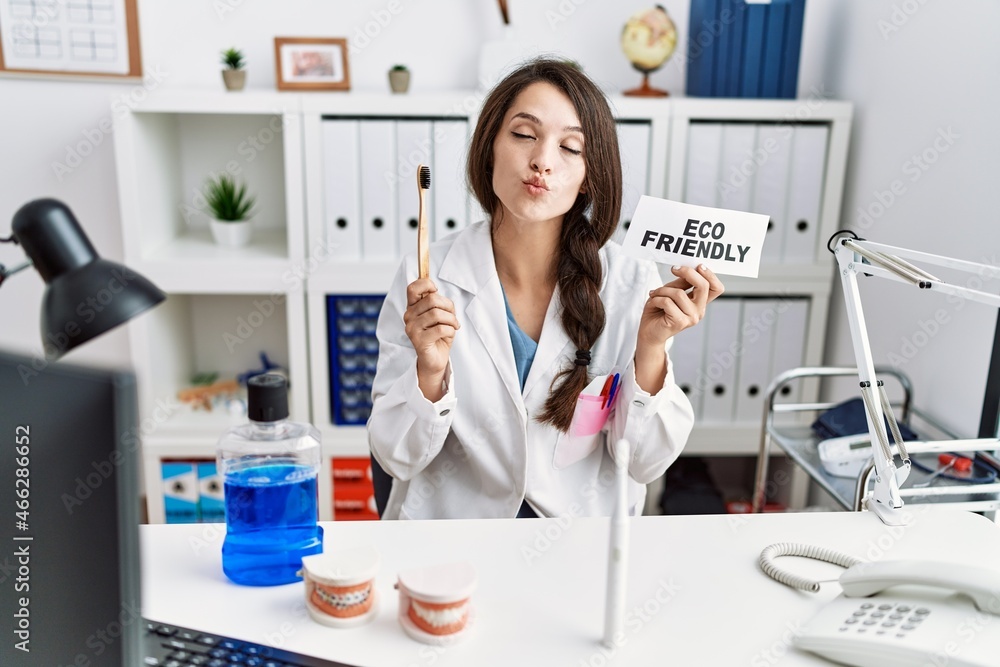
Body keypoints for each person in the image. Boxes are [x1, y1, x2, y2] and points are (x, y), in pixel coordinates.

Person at [368, 58, 724, 520]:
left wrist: (651, 351)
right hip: (454, 539)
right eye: (523, 135)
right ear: (490, 146)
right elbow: (395, 455)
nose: (542, 161)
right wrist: (430, 373)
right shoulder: (428, 276)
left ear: (588, 178)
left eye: (570, 148)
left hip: (577, 544)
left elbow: (644, 462)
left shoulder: (629, 279)